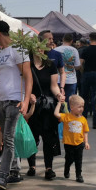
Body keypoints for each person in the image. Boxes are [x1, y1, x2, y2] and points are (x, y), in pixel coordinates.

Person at [0, 20, 31, 190]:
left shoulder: (19, 50)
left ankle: (3, 176)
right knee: (4, 138)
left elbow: (28, 76)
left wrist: (24, 101)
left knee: (7, 138)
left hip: (14, 101)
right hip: (0, 102)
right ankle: (15, 170)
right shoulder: (1, 54)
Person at [24, 33, 65, 179]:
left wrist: (58, 94)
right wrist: (28, 97)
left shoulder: (50, 64)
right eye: (37, 47)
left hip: (47, 107)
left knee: (49, 138)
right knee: (32, 138)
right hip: (32, 107)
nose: (40, 50)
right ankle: (32, 166)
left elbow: (54, 86)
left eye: (42, 47)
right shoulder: (26, 65)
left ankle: (49, 168)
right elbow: (23, 85)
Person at [55, 95, 90, 182]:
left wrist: (86, 142)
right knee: (69, 159)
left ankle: (79, 175)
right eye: (79, 107)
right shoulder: (66, 116)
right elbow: (56, 114)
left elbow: (85, 132)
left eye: (82, 106)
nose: (81, 109)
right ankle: (66, 169)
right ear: (72, 107)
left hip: (79, 143)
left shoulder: (83, 119)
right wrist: (59, 103)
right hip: (68, 144)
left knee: (79, 160)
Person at [54, 33, 81, 100]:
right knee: (69, 102)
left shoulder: (56, 49)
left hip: (58, 79)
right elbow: (77, 66)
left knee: (58, 102)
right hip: (71, 80)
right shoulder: (74, 50)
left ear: (63, 39)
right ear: (71, 41)